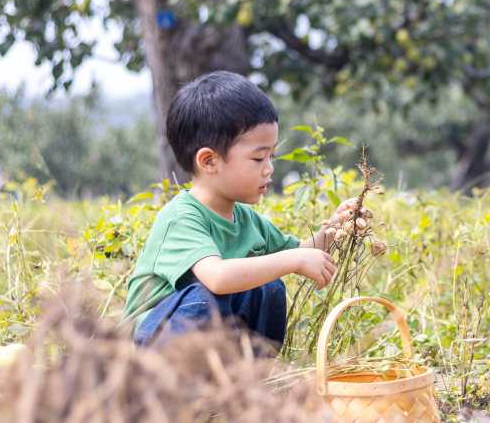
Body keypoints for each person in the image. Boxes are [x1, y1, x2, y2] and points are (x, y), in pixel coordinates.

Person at [121, 71, 356, 350]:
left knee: (267, 287)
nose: (269, 168)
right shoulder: (181, 217)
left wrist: (335, 228)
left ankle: (245, 381)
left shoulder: (246, 219)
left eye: (272, 156)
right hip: (146, 352)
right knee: (207, 296)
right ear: (209, 161)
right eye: (258, 158)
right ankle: (181, 390)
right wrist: (294, 260)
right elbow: (218, 277)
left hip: (202, 348)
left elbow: (301, 250)